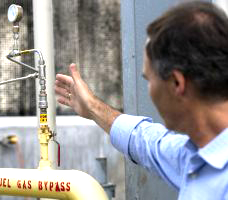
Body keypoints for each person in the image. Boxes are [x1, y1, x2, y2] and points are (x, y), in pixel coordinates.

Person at [55, 2, 228, 200]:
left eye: (149, 79)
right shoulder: (196, 155)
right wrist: (92, 106)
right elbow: (145, 141)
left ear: (177, 83)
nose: (149, 90)